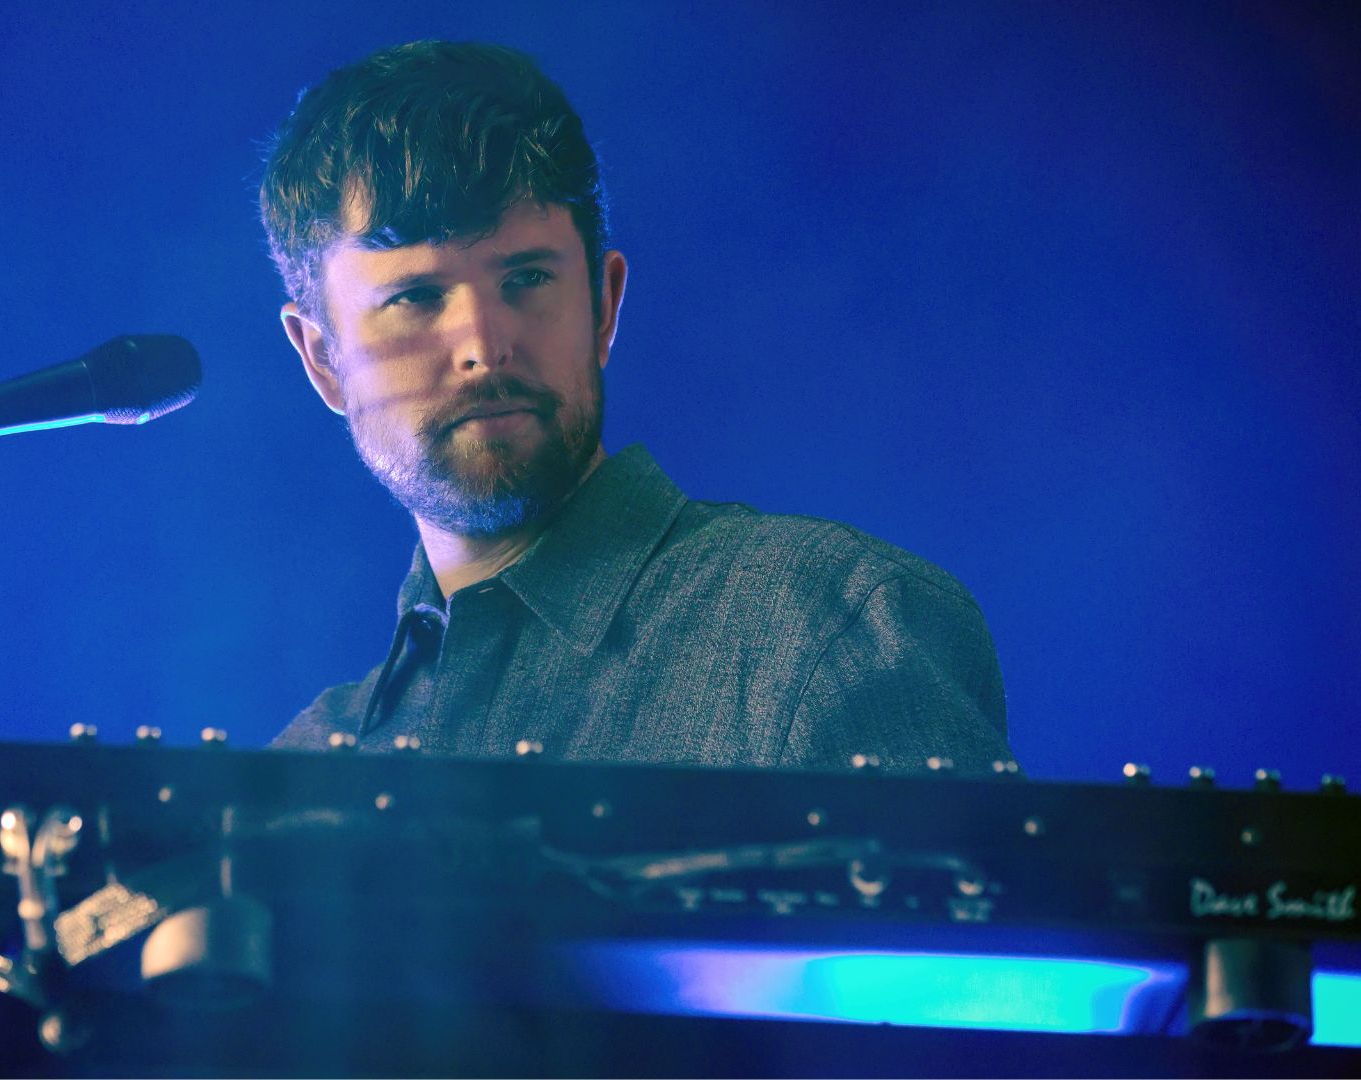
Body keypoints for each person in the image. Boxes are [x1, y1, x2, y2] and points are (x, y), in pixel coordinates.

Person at [258, 41, 1012, 771]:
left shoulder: (824, 628)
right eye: (417, 296)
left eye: (527, 279)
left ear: (604, 304)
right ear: (322, 358)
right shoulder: (304, 768)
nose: (484, 346)